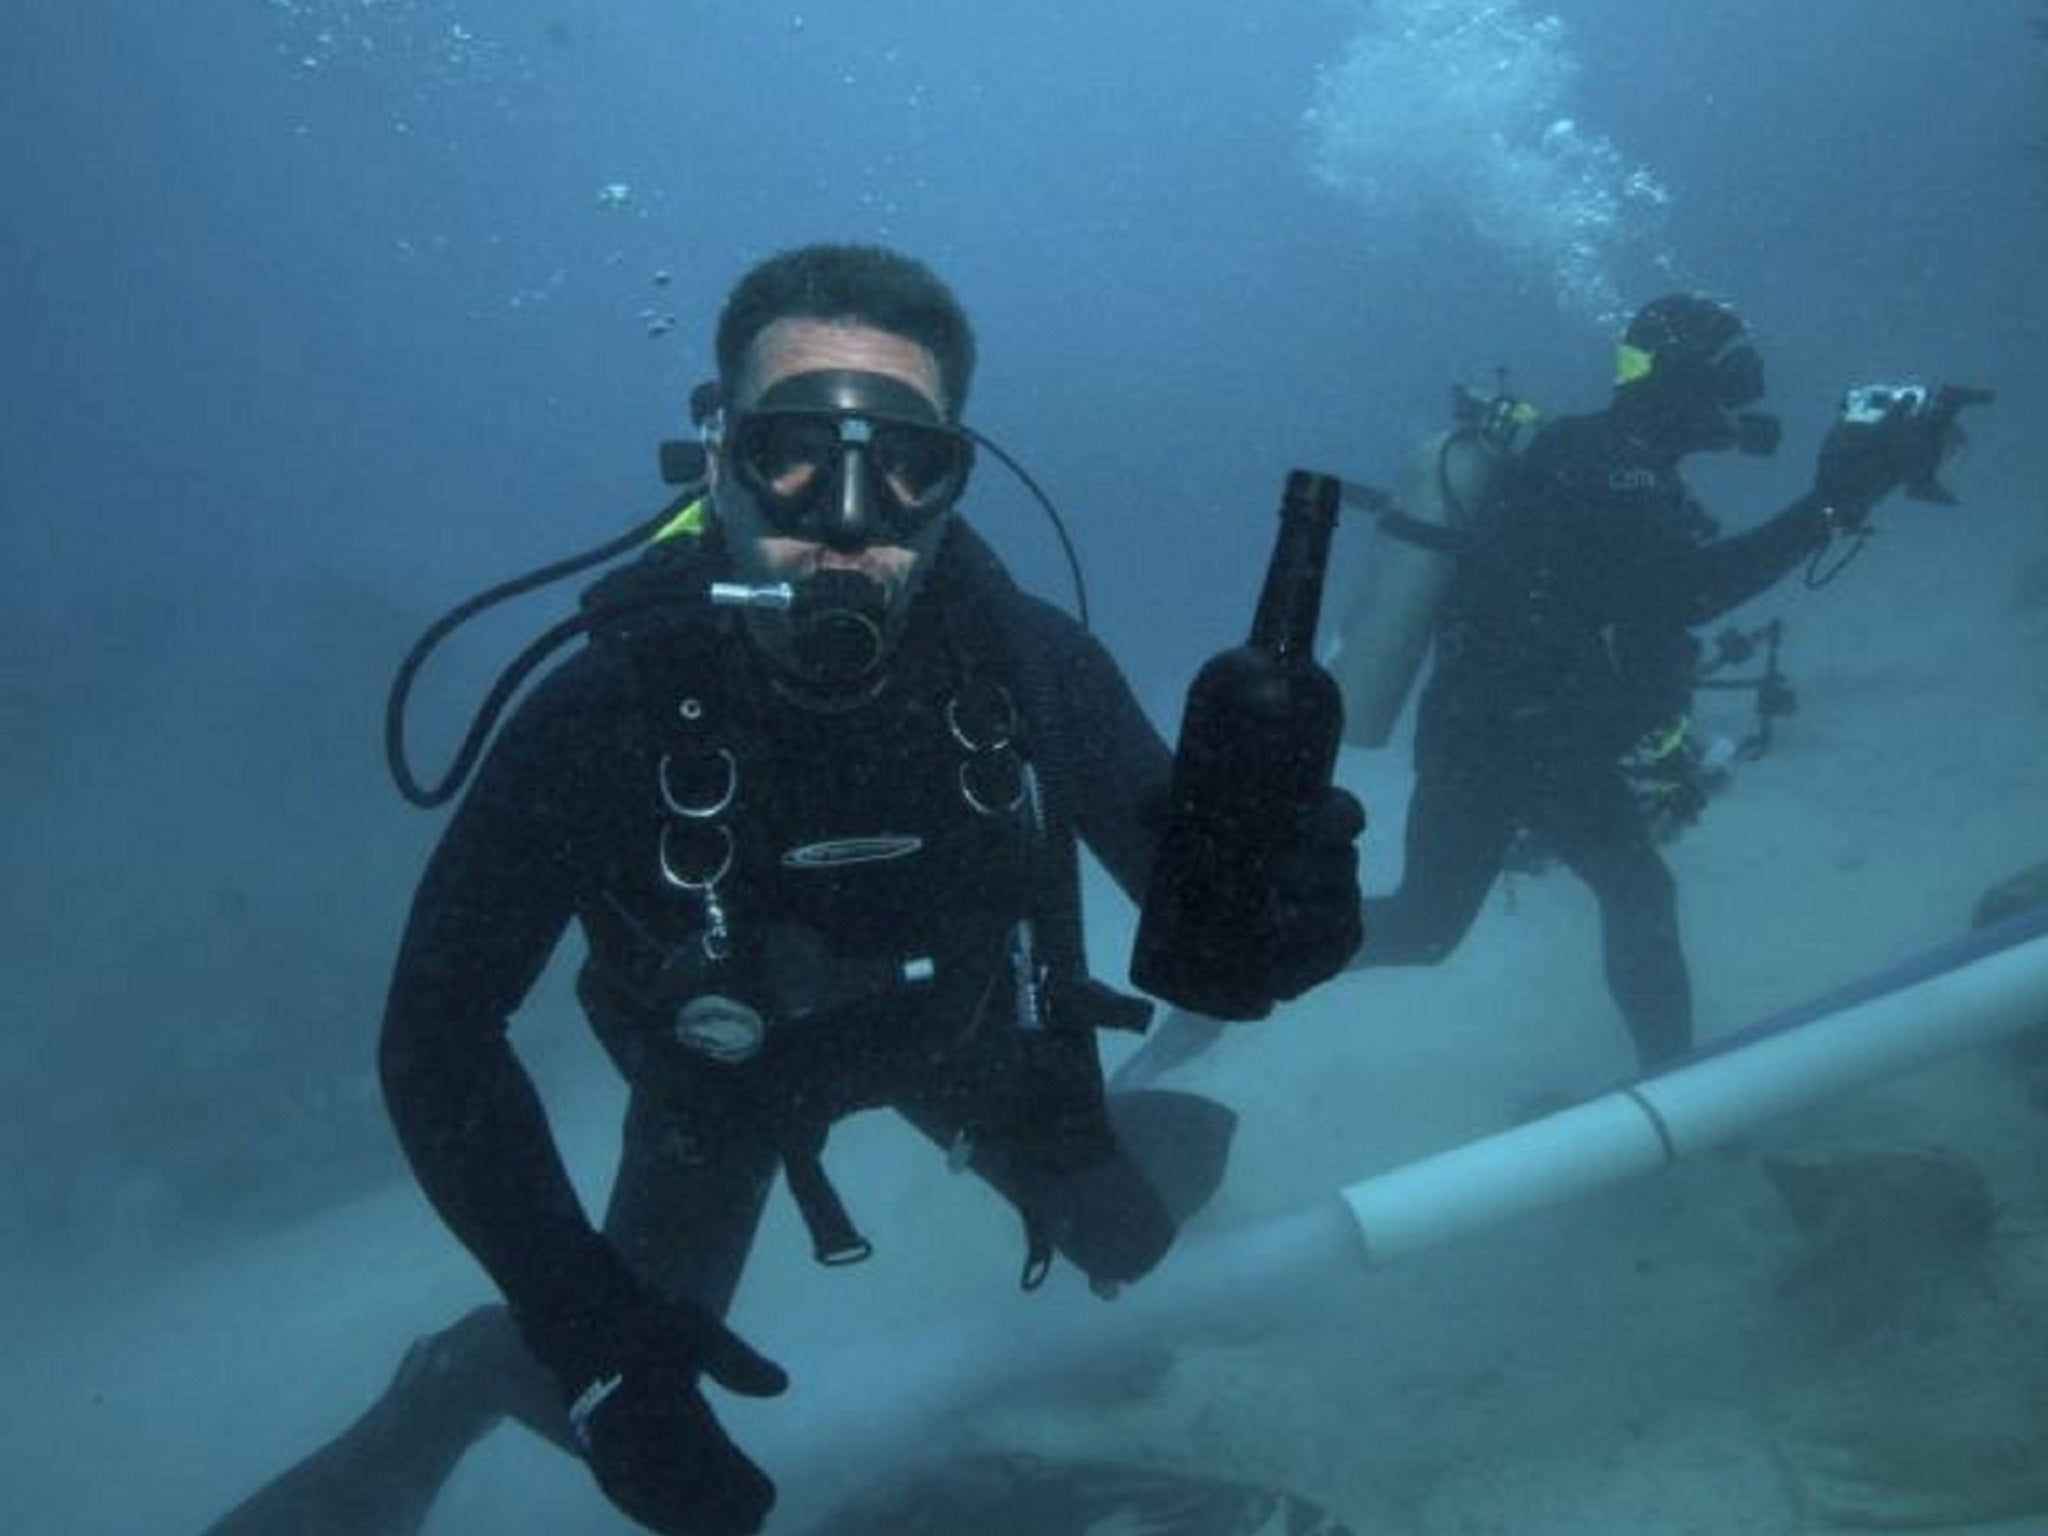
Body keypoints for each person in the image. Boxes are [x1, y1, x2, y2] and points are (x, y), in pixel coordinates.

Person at [199, 242, 1362, 1536]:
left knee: (1133, 1237)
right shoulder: (606, 708)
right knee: (635, 1388)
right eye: (794, 453)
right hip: (722, 1086)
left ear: (954, 478)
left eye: (906, 463)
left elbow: (1207, 919)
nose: (849, 516)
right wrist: (586, 1339)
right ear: (717, 457)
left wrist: (1292, 911)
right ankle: (471, 1372)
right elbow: (437, 1033)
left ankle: (1075, 1220)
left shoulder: (1032, 667)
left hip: (960, 1031)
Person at [1352, 293, 1954, 1072]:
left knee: (1449, 923)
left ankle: (1240, 953)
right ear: (1680, 384)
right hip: (1514, 738)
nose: (1740, 405)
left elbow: (1642, 596)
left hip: (1513, 731)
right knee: (1522, 911)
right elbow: (1689, 593)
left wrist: (1834, 496)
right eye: (1731, 382)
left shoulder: (1601, 453)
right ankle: (1672, 1085)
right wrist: (1828, 505)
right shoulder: (1617, 471)